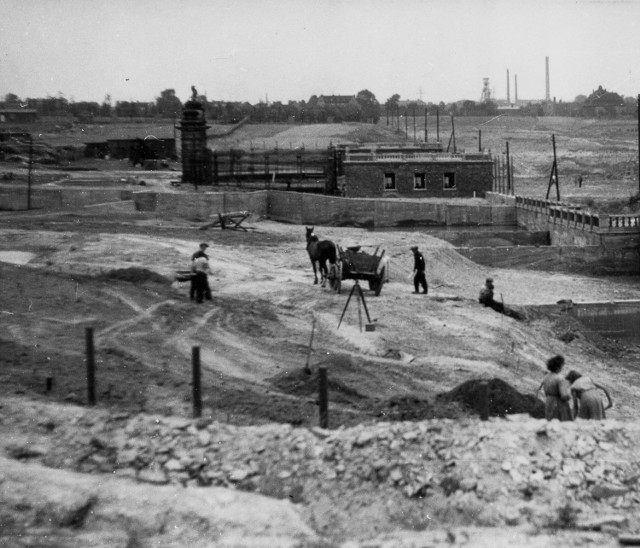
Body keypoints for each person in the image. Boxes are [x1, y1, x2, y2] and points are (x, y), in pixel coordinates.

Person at [537, 355, 573, 422]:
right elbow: (564, 395)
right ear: (558, 367)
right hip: (557, 403)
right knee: (559, 421)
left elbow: (541, 389)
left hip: (548, 401)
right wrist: (569, 395)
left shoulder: (546, 376)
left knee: (549, 420)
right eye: (562, 366)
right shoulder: (560, 378)